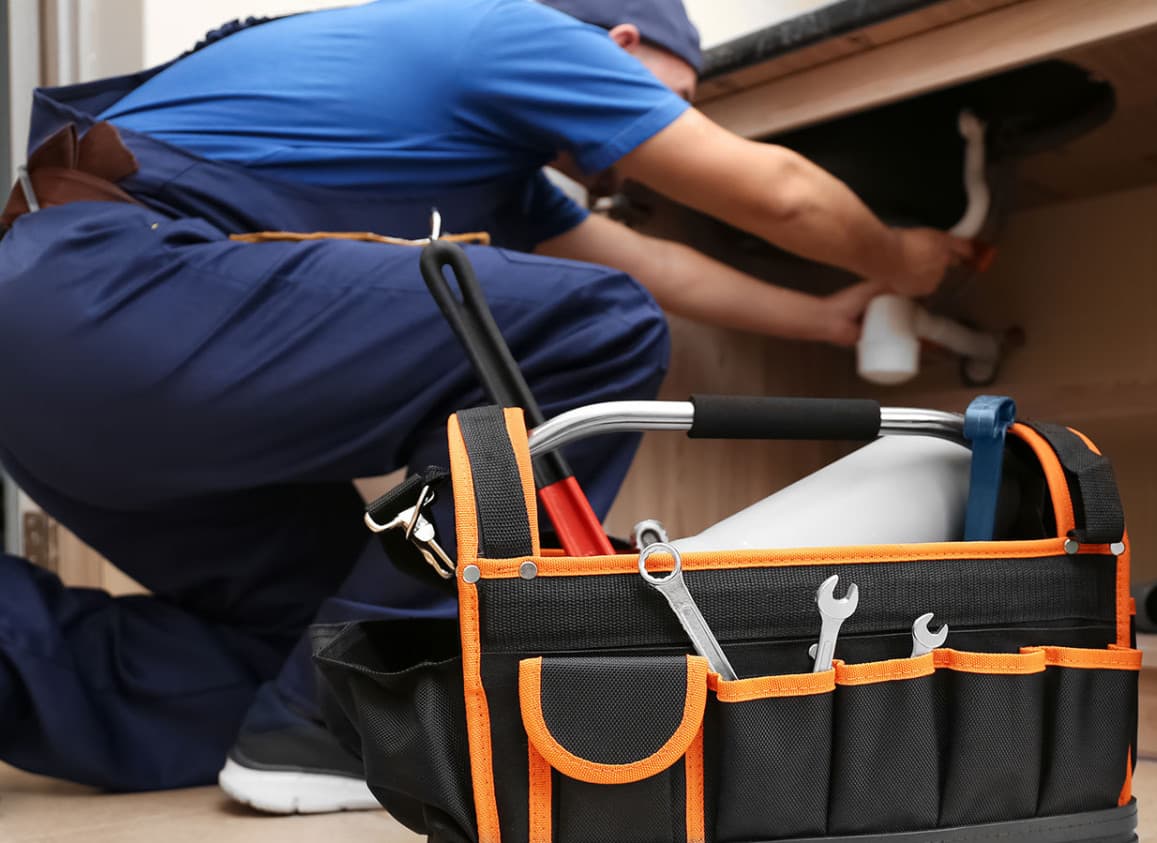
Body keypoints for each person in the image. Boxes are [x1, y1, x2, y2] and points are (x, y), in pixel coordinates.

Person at [0, 0, 972, 813]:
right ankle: (345, 723)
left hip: (50, 356)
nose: (648, 139)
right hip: (113, 290)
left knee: (297, 646)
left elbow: (658, 263)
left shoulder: (501, 171)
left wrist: (828, 318)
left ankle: (282, 711)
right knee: (599, 329)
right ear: (624, 46)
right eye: (677, 98)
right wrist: (899, 258)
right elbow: (784, 196)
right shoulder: (514, 31)